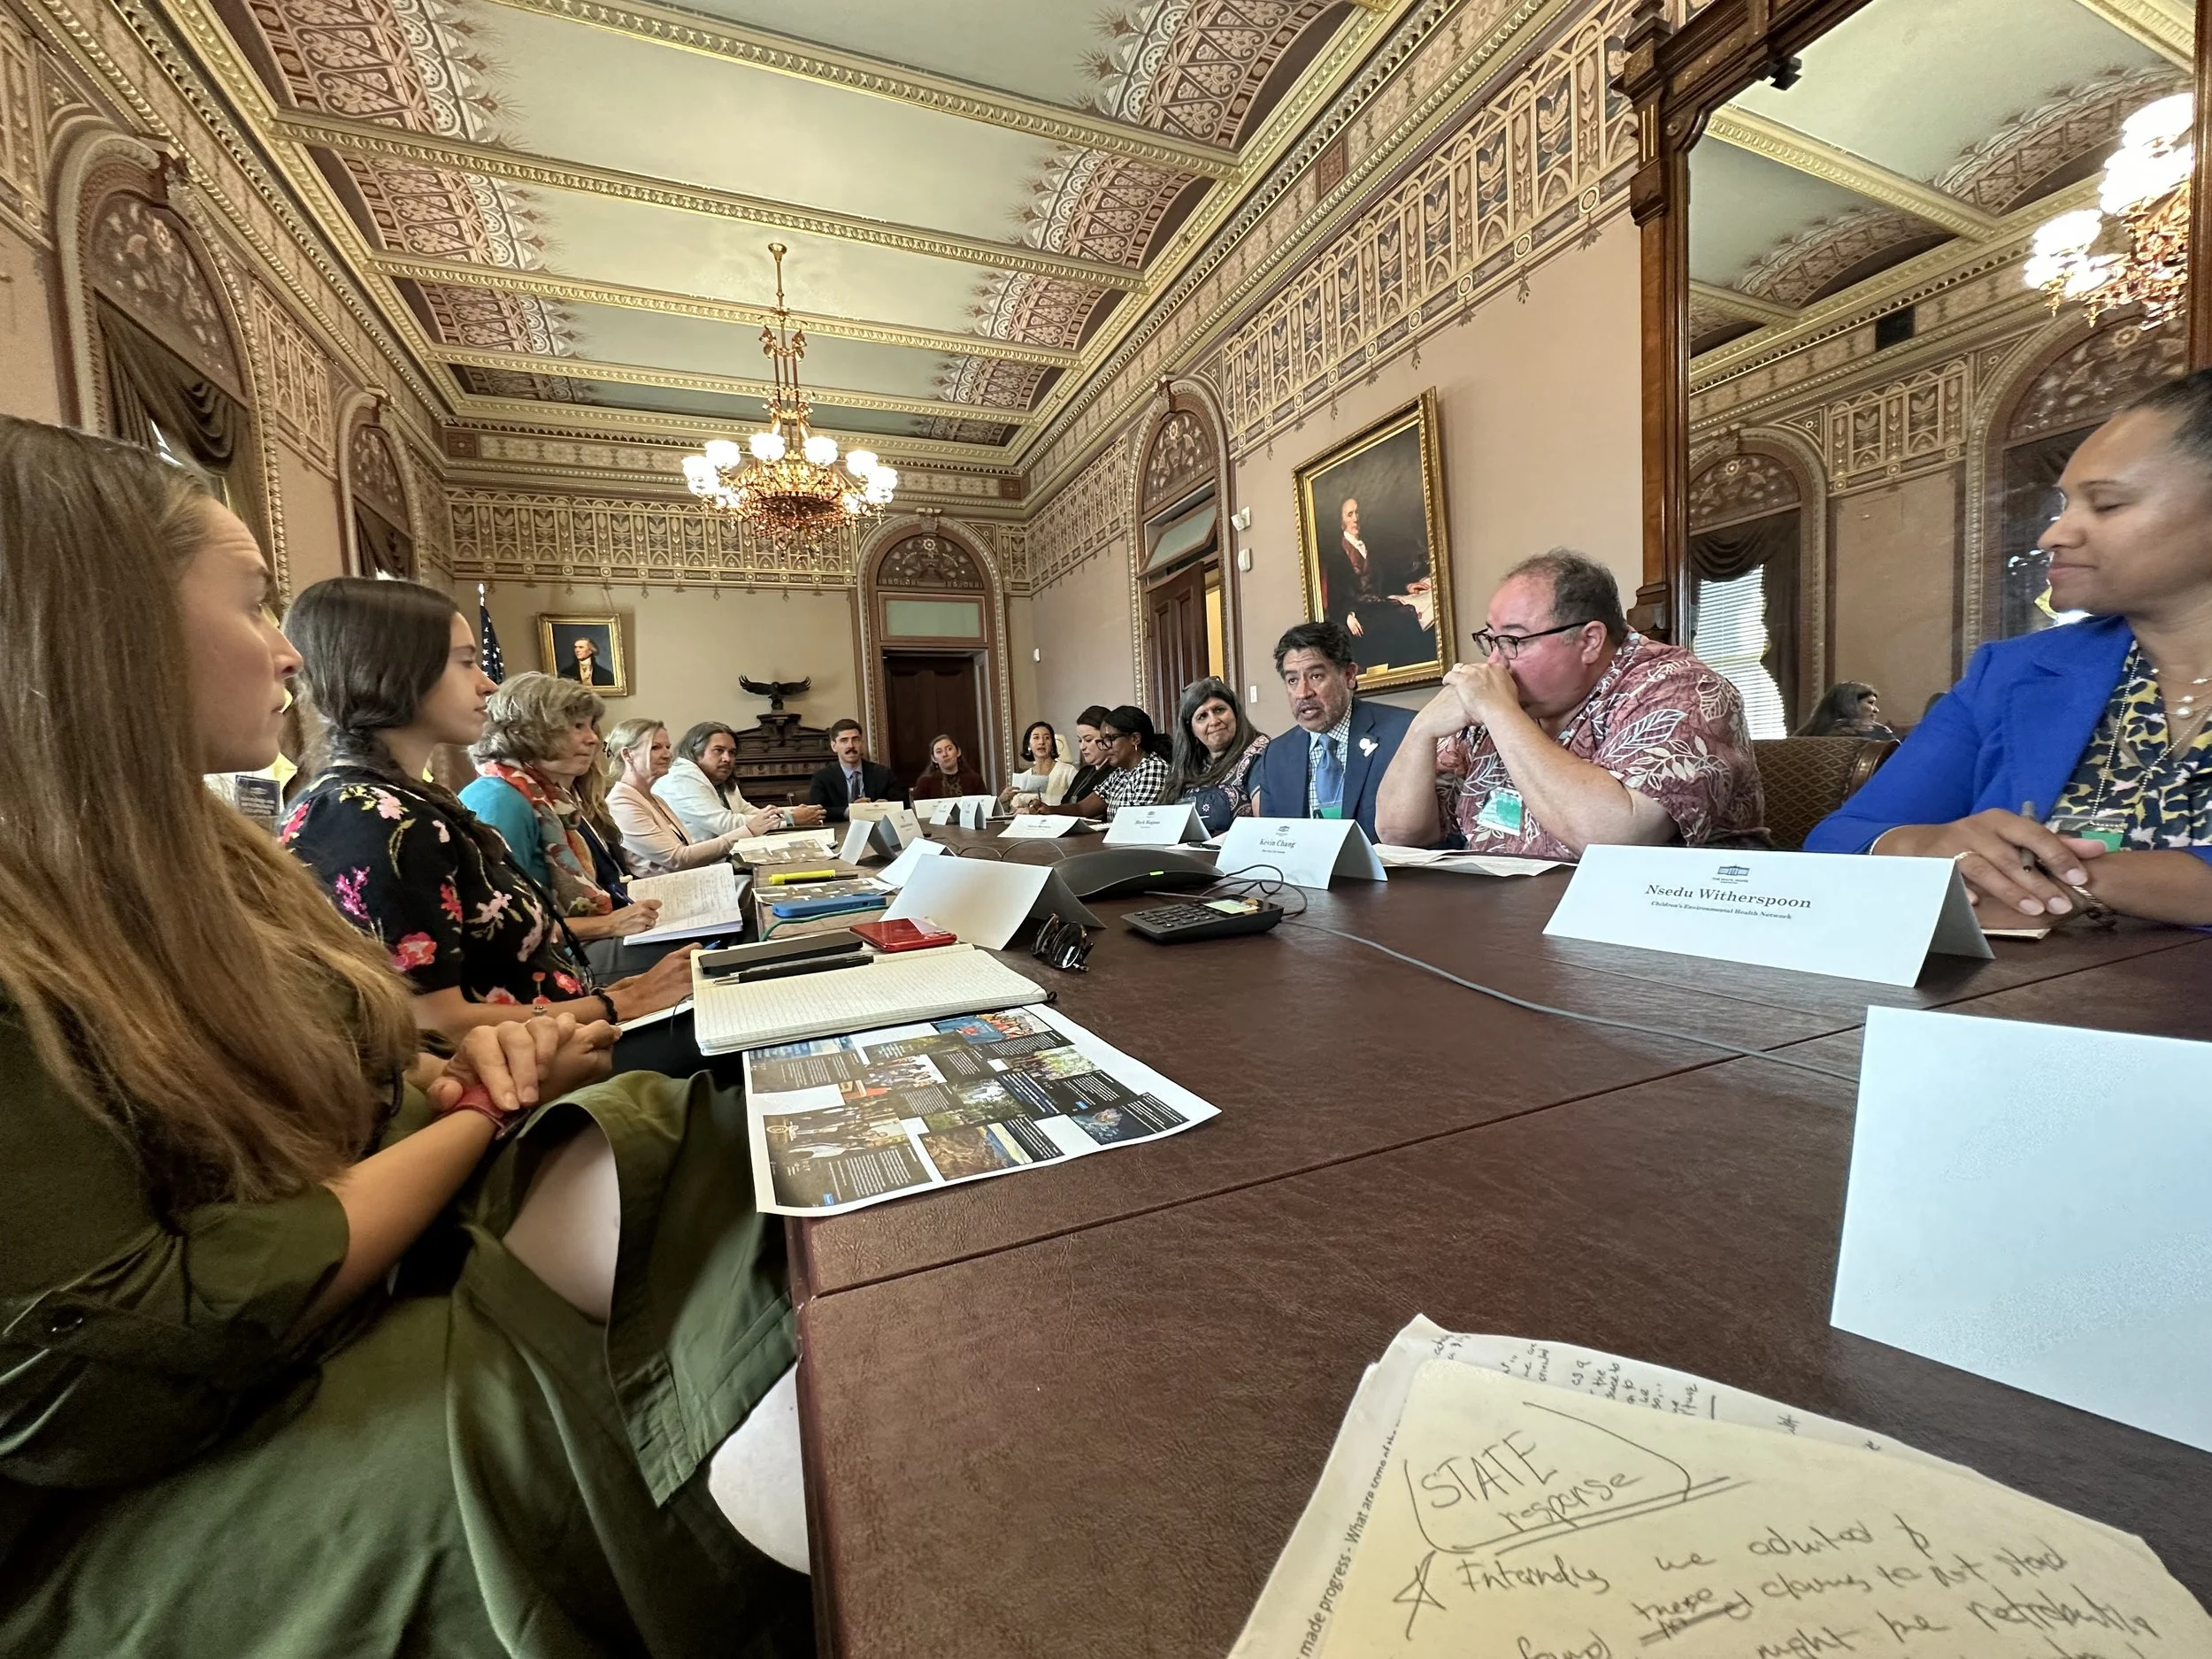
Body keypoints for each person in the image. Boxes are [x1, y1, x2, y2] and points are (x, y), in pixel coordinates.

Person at [0, 416, 810, 1656]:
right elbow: (106, 1368)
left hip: (374, 1273)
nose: (284, 652)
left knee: (746, 1160)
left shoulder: (207, 854)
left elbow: (378, 1058)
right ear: (100, 630)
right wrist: (480, 1102)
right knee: (726, 1256)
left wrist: (455, 1074)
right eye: (255, 605)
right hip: (189, 1465)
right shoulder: (315, 828)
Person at [1806, 370, 2212, 926]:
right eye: (2065, 504)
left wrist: (2067, 878)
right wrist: (1925, 847)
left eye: (2107, 505)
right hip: (2016, 996)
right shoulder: (2012, 672)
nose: (2054, 535)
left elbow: (2045, 886)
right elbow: (1837, 842)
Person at [280, 580, 699, 1054]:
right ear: (391, 672)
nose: (488, 682)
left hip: (562, 1030)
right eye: (465, 663)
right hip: (531, 1066)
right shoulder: (369, 816)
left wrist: (616, 995)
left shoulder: (405, 798)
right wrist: (622, 1002)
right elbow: (433, 1025)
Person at [1377, 549, 1765, 858]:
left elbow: (1614, 842)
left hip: (1669, 932)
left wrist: (1501, 714)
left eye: (1514, 640)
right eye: (1492, 639)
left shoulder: (1683, 689)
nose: (1496, 661)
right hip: (1509, 927)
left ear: (1589, 641)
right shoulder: (1505, 699)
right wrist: (1422, 730)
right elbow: (1399, 834)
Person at [457, 674, 666, 979]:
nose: (593, 738)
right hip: (548, 964)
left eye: (590, 725)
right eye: (576, 726)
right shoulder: (499, 799)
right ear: (529, 730)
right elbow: (503, 924)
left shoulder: (548, 797)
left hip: (575, 945)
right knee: (708, 948)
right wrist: (609, 924)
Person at [1251, 619, 1416, 841]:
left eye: (1316, 676)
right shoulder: (1276, 755)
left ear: (1349, 675)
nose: (1303, 693)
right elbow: (1273, 843)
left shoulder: (1402, 733)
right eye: (1292, 680)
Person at [605, 717, 743, 873]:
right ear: (628, 754)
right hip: (661, 892)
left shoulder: (655, 799)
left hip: (690, 880)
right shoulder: (621, 803)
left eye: (667, 747)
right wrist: (748, 831)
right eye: (655, 747)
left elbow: (686, 850)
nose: (667, 755)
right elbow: (678, 859)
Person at [1316, 495, 1436, 671]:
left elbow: (1383, 579)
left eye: (1357, 513)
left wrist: (1405, 587)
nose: (1356, 519)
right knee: (1404, 619)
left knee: (1416, 610)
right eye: (1350, 514)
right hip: (1358, 612)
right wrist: (1347, 616)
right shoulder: (1337, 556)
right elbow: (1335, 598)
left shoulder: (1368, 546)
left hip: (1376, 604)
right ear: (1342, 521)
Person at [657, 721, 824, 840]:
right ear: (695, 751)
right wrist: (790, 819)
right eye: (719, 750)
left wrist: (794, 812)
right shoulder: (681, 778)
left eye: (732, 752)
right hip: (699, 869)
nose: (727, 758)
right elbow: (726, 824)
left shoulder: (720, 779)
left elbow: (747, 812)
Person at [1169, 677, 1271, 834]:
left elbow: (1265, 826)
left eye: (1219, 710)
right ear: (1192, 730)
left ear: (1235, 713)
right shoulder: (1190, 763)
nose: (1214, 721)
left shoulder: (1260, 754)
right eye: (1202, 716)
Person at [1072, 706, 1171, 818]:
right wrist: (1049, 810)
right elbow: (1082, 809)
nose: (1105, 747)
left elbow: (1139, 822)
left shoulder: (1153, 769)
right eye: (1103, 741)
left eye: (1110, 739)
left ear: (1135, 739)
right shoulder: (1121, 772)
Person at [807, 718, 905, 821]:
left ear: (862, 743)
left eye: (855, 739)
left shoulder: (883, 773)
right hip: (840, 831)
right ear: (834, 746)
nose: (851, 745)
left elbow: (903, 805)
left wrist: (887, 806)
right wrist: (850, 811)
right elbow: (817, 811)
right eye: (844, 740)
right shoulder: (822, 777)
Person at [1002, 719, 1077, 810]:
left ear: (1052, 744)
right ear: (1028, 744)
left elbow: (1078, 803)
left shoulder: (1068, 771)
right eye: (1036, 738)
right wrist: (1004, 799)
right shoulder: (1023, 777)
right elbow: (1013, 810)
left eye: (1047, 738)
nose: (1041, 742)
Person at [1796, 680, 1897, 741]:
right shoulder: (1876, 733)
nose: (1876, 710)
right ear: (1850, 704)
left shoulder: (1802, 736)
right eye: (1870, 703)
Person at [910, 733, 987, 801]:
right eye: (939, 752)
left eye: (949, 749)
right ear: (934, 759)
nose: (945, 754)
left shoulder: (975, 780)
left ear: (958, 752)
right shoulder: (925, 782)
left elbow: (985, 807)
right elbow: (919, 811)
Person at [1063, 705, 1114, 807]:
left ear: (1106, 738)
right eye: (1080, 740)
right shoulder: (1083, 773)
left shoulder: (1116, 773)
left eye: (1088, 740)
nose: (1082, 747)